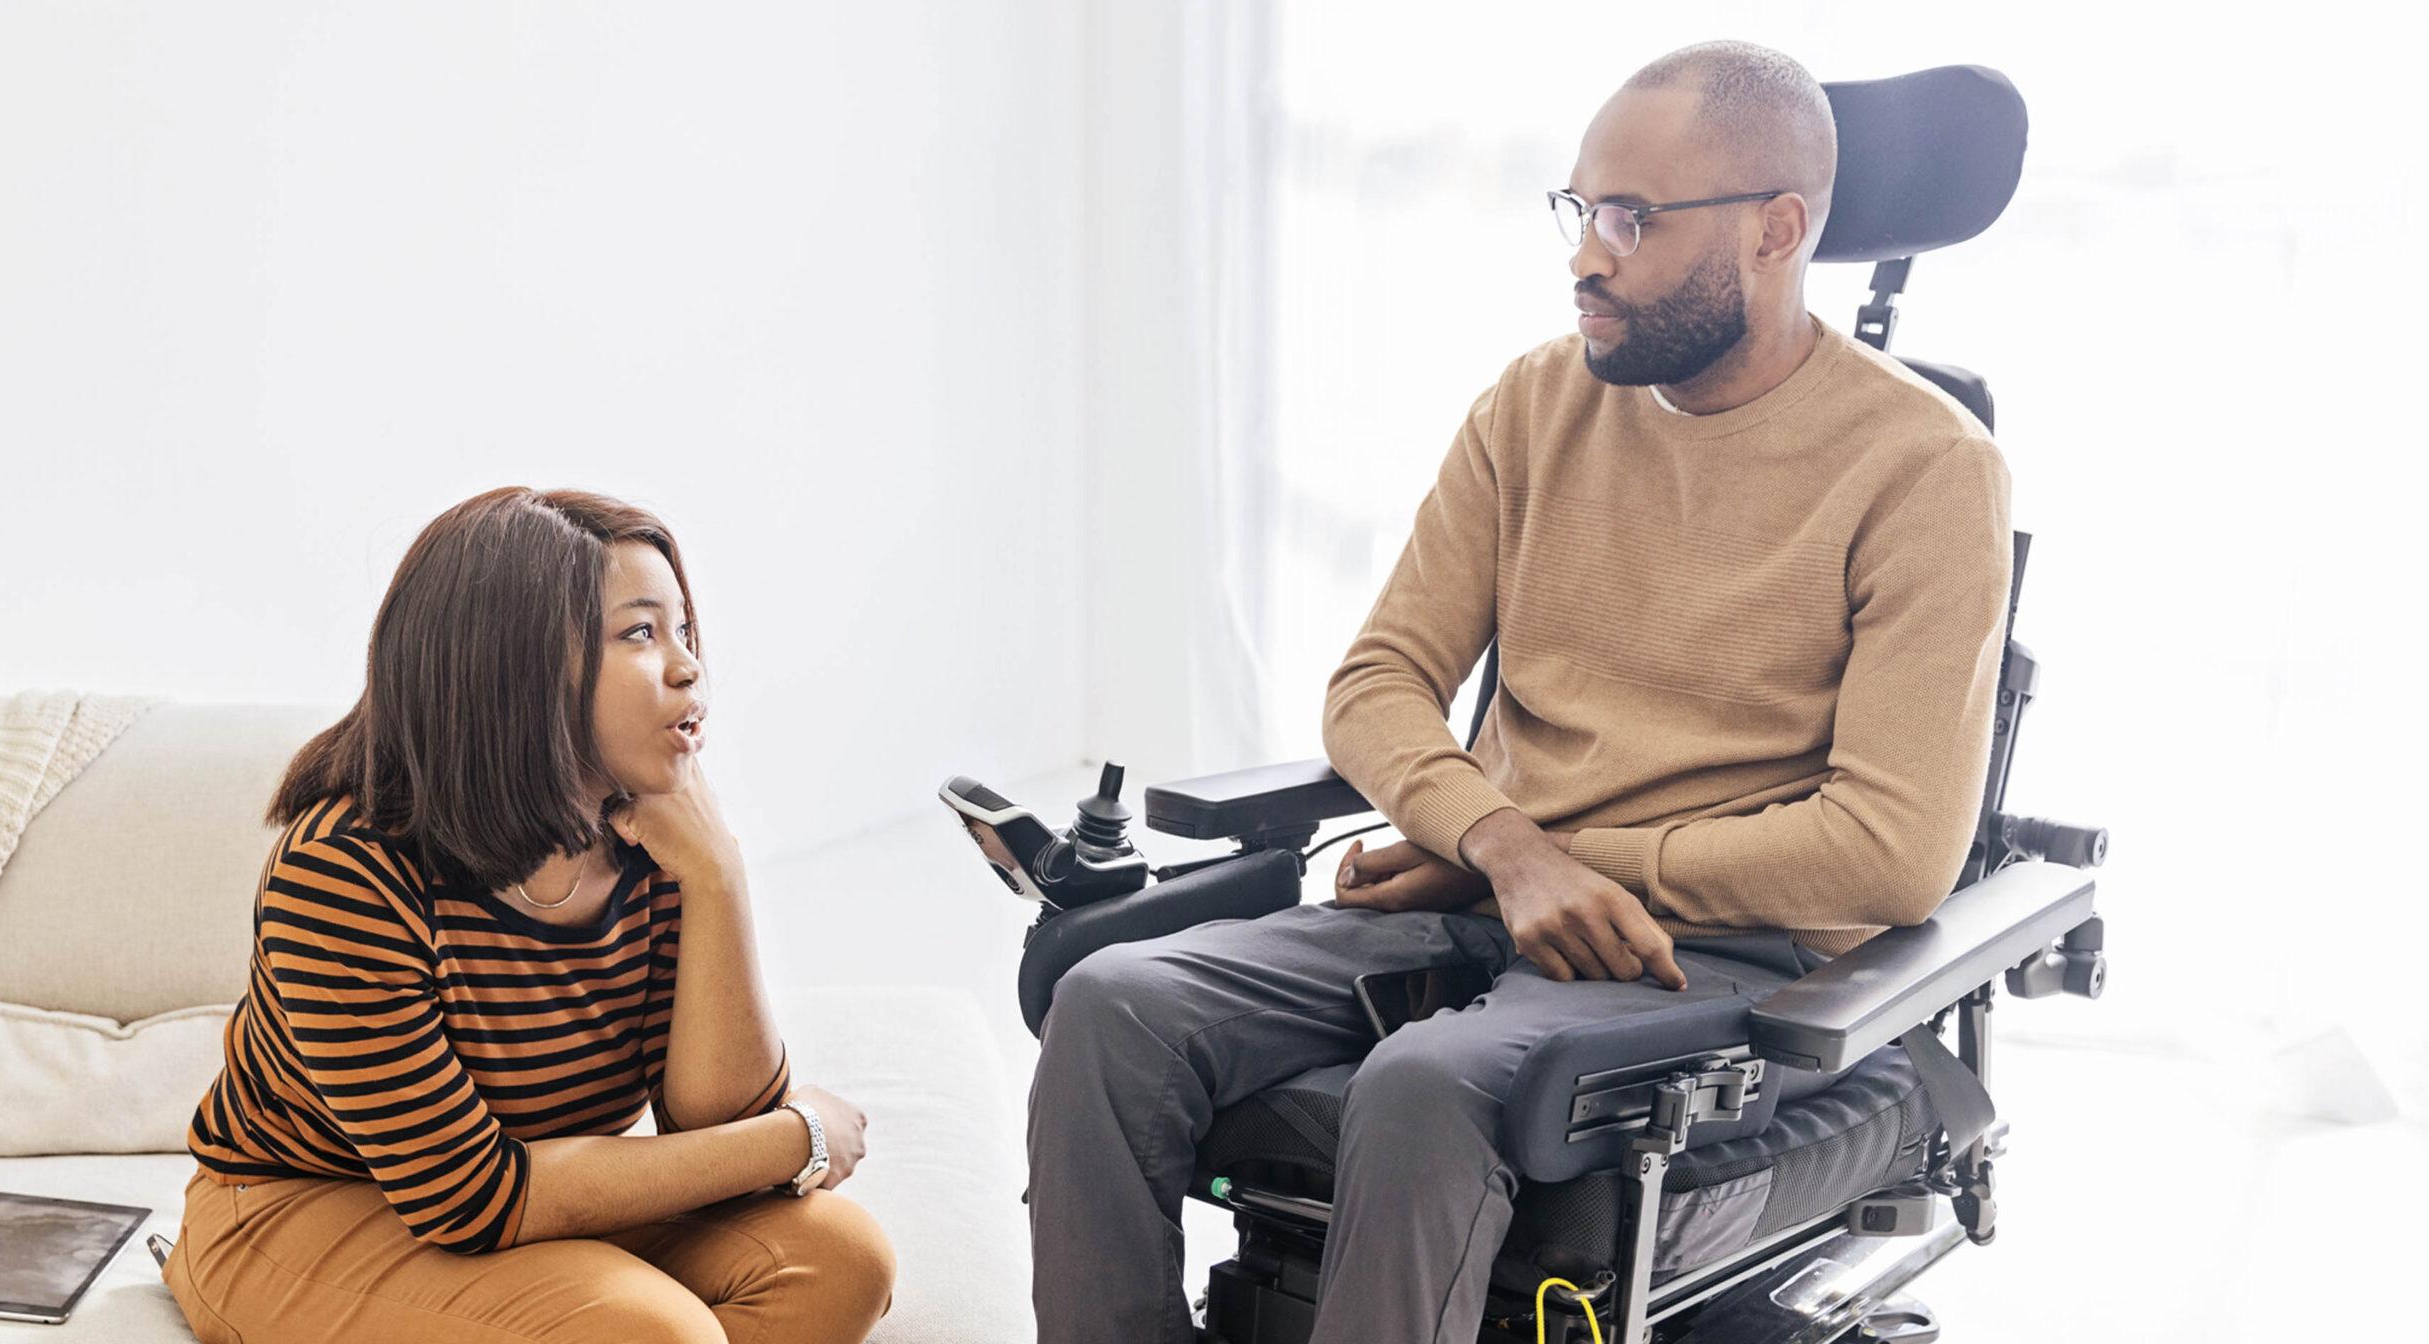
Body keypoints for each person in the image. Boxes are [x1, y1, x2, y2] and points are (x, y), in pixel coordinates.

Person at [1024, 39, 2014, 1344]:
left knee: (1432, 1089)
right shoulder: (1540, 402)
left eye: (1630, 218)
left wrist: (1537, 860)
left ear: (1777, 232)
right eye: (1581, 208)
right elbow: (1378, 680)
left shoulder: (1925, 467)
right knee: (1115, 1004)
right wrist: (1496, 844)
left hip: (1703, 958)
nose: (1586, 257)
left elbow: (1889, 855)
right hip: (1487, 887)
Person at [163, 487, 897, 1343]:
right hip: (309, 1209)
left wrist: (719, 877)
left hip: (535, 1195)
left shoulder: (656, 832)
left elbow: (718, 1130)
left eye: (684, 631)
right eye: (640, 633)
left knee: (840, 1260)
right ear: (519, 667)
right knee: (649, 1334)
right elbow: (470, 1200)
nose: (689, 666)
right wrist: (799, 1137)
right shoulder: (348, 868)